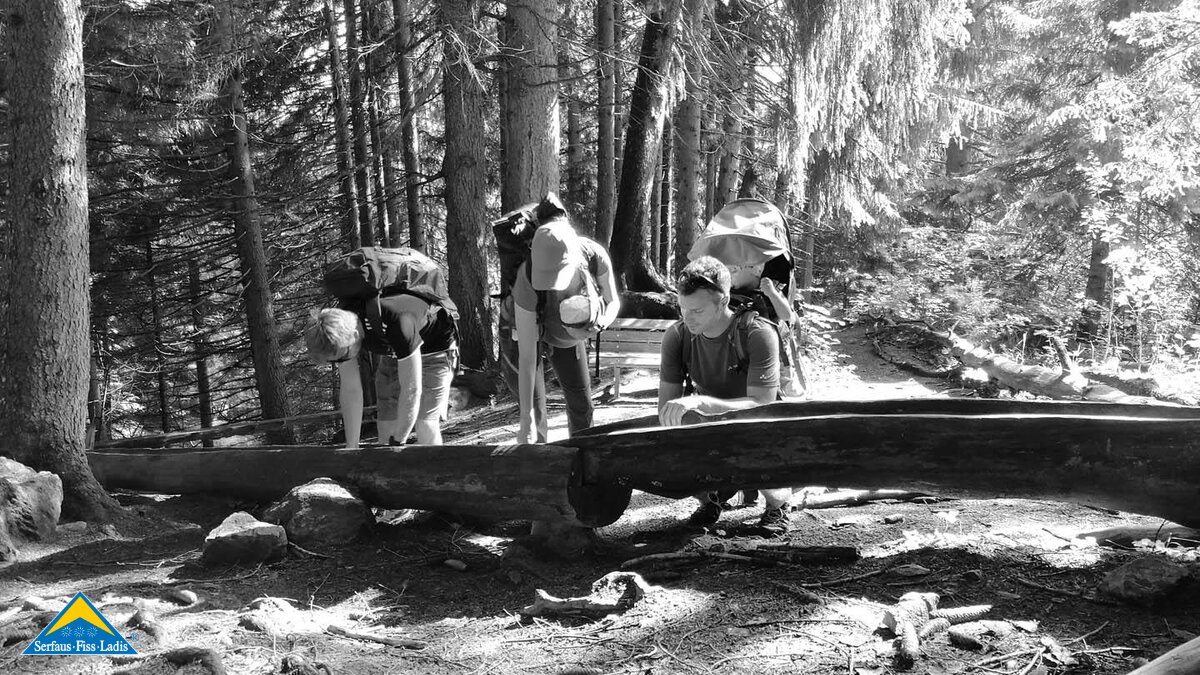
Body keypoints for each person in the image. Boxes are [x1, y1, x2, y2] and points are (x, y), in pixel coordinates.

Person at [658, 256, 794, 531]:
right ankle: (713, 496)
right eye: (683, 308)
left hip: (758, 428)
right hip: (708, 427)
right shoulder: (677, 336)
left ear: (722, 302)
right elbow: (665, 411)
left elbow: (762, 406)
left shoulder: (757, 333)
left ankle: (778, 503)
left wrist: (703, 403)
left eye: (697, 311)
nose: (687, 317)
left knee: (755, 448)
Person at [513, 214, 620, 443]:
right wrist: (525, 419)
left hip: (570, 339)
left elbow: (613, 302)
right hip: (530, 330)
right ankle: (539, 464)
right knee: (534, 408)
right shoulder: (527, 278)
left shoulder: (594, 256)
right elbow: (527, 358)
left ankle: (582, 456)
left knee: (582, 404)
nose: (551, 284)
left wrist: (599, 324)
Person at [305, 293, 458, 448]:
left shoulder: (397, 321)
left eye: (341, 357)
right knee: (386, 429)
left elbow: (411, 389)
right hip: (394, 352)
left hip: (435, 349)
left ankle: (435, 470)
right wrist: (352, 446)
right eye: (336, 361)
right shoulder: (341, 327)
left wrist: (399, 439)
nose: (341, 362)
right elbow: (351, 390)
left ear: (355, 335)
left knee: (425, 424)